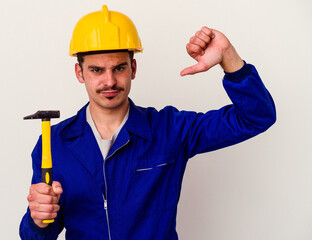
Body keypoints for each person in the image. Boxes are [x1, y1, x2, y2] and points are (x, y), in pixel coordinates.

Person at [19, 5, 276, 240]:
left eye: (118, 68)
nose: (109, 81)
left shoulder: (171, 129)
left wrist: (228, 56)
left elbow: (256, 117)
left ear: (133, 68)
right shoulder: (54, 143)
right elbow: (39, 234)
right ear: (80, 73)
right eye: (97, 70)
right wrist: (38, 220)